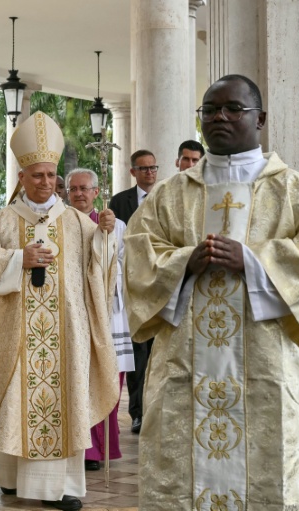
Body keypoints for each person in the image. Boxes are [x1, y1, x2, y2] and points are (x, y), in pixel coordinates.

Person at [124, 74, 299, 509]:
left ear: (260, 118)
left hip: (271, 370)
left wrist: (251, 260)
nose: (219, 118)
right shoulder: (168, 196)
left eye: (233, 109)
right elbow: (139, 254)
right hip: (186, 369)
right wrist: (185, 261)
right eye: (209, 110)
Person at [0, 112, 119, 511]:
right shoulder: (4, 221)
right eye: (37, 175)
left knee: (64, 403)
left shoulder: (79, 223)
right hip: (15, 336)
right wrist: (15, 259)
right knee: (15, 403)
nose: (45, 182)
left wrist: (106, 237)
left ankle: (59, 489)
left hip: (67, 334)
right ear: (22, 177)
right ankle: (10, 479)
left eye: (50, 176)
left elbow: (100, 269)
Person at [65, 168, 134, 472]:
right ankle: (81, 446)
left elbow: (128, 268)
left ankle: (101, 448)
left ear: (96, 192)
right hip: (74, 315)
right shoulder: (59, 225)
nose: (78, 194)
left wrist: (106, 239)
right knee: (78, 381)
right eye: (73, 189)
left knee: (108, 379)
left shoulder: (116, 225)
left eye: (84, 189)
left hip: (109, 315)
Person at [108, 149, 158, 434]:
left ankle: (157, 411)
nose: (150, 172)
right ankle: (137, 413)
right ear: (133, 172)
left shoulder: (167, 197)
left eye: (153, 167)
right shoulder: (119, 202)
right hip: (129, 288)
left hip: (161, 284)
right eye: (144, 168)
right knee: (137, 354)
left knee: (159, 352)